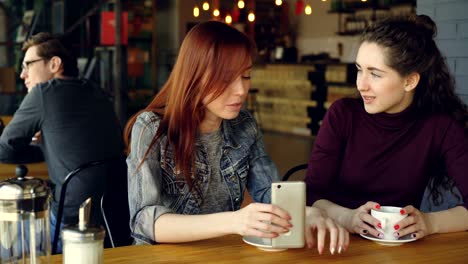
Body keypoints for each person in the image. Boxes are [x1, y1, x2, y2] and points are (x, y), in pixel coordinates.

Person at [125, 21, 349, 254]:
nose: (241, 90)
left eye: (246, 76)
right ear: (194, 75)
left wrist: (306, 212)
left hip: (223, 253)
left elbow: (270, 192)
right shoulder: (151, 128)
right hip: (161, 257)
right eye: (226, 79)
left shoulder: (244, 125)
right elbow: (144, 220)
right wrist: (234, 221)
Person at [306, 14, 468, 241]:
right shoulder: (342, 114)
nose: (361, 85)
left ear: (410, 81)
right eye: (359, 70)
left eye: (375, 74)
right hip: (336, 242)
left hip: (396, 249)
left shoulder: (440, 126)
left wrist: (431, 222)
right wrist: (349, 218)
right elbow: (312, 194)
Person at [0, 32, 125, 252]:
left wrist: (38, 149)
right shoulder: (97, 92)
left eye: (28, 65)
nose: (22, 74)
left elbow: (4, 149)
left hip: (68, 220)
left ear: (54, 64)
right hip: (113, 218)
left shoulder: (43, 94)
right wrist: (45, 146)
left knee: (7, 236)